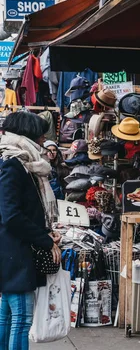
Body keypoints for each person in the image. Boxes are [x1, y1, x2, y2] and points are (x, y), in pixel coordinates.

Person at [0, 112, 61, 350]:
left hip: (11, 251)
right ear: (27, 135)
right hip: (15, 253)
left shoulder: (16, 162)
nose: (43, 140)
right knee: (22, 319)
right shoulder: (12, 165)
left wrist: (45, 231)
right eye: (40, 135)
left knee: (7, 315)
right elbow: (12, 215)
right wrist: (44, 240)